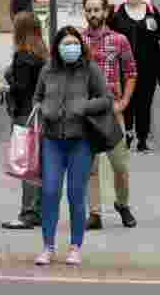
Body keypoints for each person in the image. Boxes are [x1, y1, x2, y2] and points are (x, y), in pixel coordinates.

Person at [32, 26, 113, 266]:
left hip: (81, 141)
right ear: (57, 47)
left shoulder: (90, 69)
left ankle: (76, 246)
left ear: (81, 45)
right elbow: (37, 97)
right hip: (52, 140)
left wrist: (84, 106)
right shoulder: (47, 69)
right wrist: (41, 107)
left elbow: (106, 100)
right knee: (49, 192)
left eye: (74, 43)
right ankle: (48, 246)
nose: (71, 48)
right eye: (66, 44)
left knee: (75, 195)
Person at [81, 0, 137, 229]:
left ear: (105, 12)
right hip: (87, 111)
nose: (93, 14)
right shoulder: (78, 41)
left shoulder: (119, 40)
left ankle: (122, 204)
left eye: (97, 10)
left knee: (120, 165)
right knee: (90, 167)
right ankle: (94, 213)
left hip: (112, 111)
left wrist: (124, 102)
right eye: (89, 10)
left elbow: (131, 72)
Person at [1, 11, 48, 230]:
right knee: (39, 165)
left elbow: (20, 89)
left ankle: (28, 212)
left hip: (25, 114)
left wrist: (3, 88)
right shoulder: (43, 54)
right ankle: (40, 210)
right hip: (42, 115)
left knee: (27, 165)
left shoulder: (22, 57)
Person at [108, 0, 160, 154]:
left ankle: (142, 139)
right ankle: (127, 135)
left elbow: (159, 40)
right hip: (123, 69)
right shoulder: (116, 13)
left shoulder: (152, 12)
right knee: (126, 103)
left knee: (144, 104)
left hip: (148, 67)